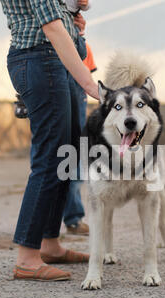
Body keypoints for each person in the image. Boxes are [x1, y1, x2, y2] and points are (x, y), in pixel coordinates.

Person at [0, 0, 99, 282]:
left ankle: (49, 244)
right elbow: (52, 28)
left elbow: (59, 21)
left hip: (55, 61)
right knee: (49, 160)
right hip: (40, 60)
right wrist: (90, 84)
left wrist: (74, 22)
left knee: (66, 156)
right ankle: (27, 257)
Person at [63, 42, 97, 236]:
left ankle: (73, 218)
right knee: (48, 160)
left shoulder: (84, 46)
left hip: (77, 100)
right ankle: (44, 225)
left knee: (73, 158)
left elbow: (87, 79)